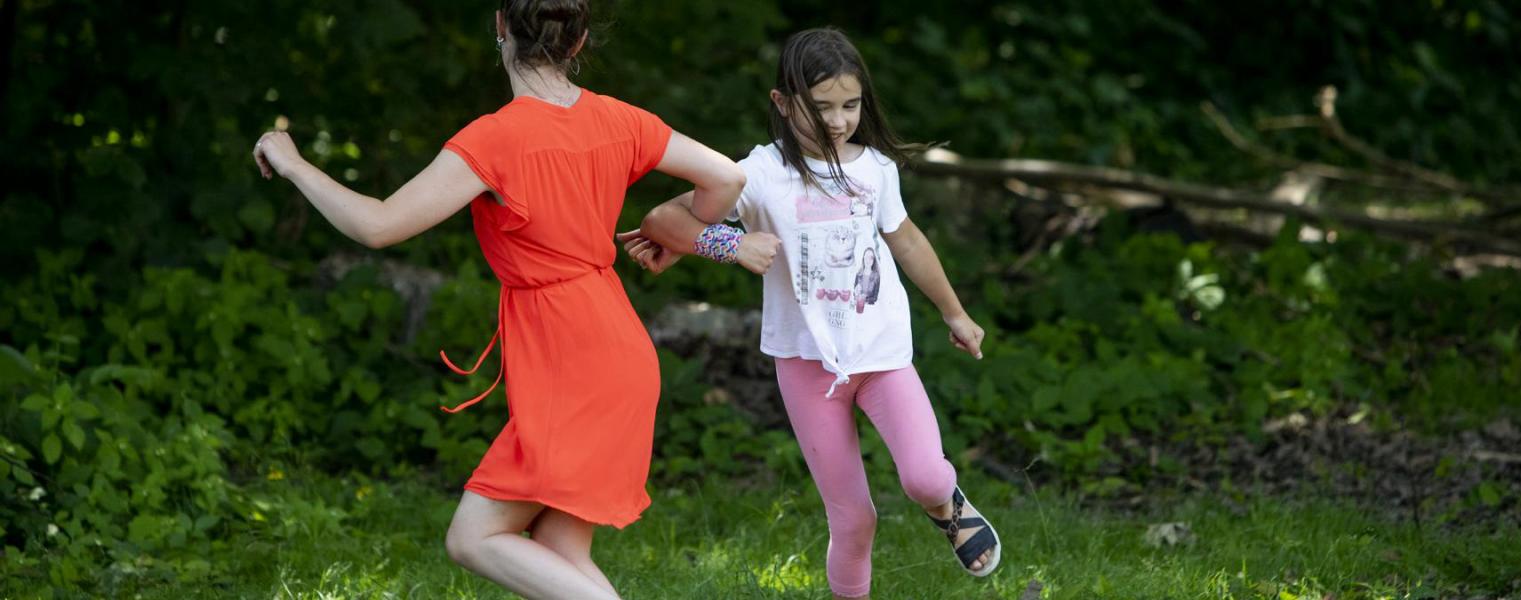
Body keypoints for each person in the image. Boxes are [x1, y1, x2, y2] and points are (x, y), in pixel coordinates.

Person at [250, 1, 777, 597]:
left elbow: (377, 226)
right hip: (615, 343)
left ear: (500, 25)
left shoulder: (496, 138)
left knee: (472, 538)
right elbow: (727, 178)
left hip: (571, 354)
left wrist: (294, 164)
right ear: (578, 42)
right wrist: (685, 241)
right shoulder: (618, 119)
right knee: (557, 552)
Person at [618, 27, 1000, 600]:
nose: (839, 120)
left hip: (881, 354)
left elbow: (910, 243)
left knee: (923, 476)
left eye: (850, 105)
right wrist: (731, 244)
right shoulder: (761, 173)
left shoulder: (874, 169)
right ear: (782, 102)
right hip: (804, 366)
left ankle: (948, 503)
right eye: (821, 108)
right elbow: (662, 220)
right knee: (853, 518)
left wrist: (955, 312)